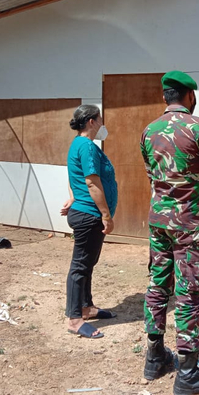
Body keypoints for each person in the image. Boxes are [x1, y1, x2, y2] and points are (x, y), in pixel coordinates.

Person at [140, 71, 199, 394]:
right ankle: (188, 373)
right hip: (189, 222)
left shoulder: (149, 131)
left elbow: (151, 174)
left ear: (166, 97)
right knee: (189, 292)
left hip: (158, 220)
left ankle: (154, 356)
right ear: (190, 96)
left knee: (158, 283)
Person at [60, 104, 118, 339]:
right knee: (80, 266)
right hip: (89, 215)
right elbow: (92, 182)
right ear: (92, 121)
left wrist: (73, 196)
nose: (103, 123)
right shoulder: (85, 145)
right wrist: (106, 215)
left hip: (85, 212)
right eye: (100, 119)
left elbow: (75, 177)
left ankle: (86, 307)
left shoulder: (82, 145)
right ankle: (74, 319)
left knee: (88, 263)